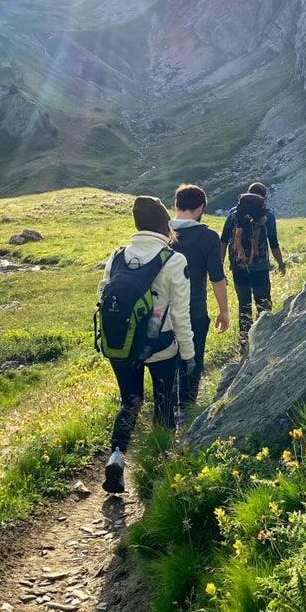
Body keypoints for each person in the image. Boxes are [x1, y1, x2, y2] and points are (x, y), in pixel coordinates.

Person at [96, 196, 195, 493]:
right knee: (164, 400)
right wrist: (188, 355)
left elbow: (103, 295)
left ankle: (117, 456)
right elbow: (180, 314)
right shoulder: (174, 260)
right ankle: (158, 468)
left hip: (121, 345)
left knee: (130, 400)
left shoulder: (117, 256)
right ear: (166, 225)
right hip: (161, 347)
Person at [169, 184, 230, 408]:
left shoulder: (161, 233)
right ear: (201, 207)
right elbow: (217, 277)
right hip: (194, 311)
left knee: (165, 365)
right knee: (192, 362)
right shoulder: (208, 237)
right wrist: (223, 311)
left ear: (176, 205)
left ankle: (165, 416)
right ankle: (186, 413)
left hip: (161, 311)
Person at [220, 181, 286, 354]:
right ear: (263, 198)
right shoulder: (267, 216)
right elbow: (274, 243)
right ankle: (266, 339)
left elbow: (224, 239)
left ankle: (244, 343)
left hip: (238, 266)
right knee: (263, 303)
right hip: (260, 267)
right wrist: (281, 263)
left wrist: (221, 263)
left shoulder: (233, 214)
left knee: (244, 303)